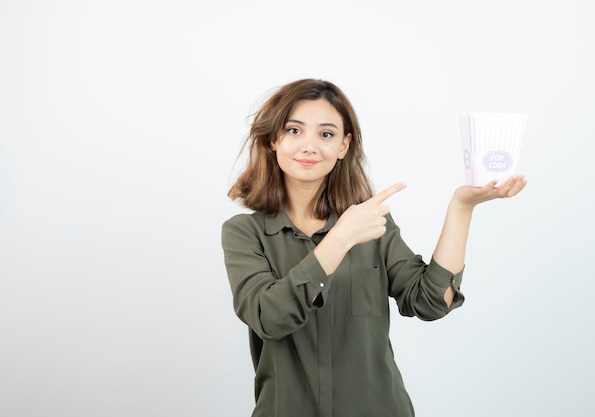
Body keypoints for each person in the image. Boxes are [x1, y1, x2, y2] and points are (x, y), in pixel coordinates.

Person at [221, 79, 527, 417]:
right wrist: (341, 238)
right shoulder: (244, 233)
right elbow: (269, 318)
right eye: (294, 131)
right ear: (273, 139)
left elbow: (430, 302)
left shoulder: (373, 224)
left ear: (343, 145)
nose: (309, 146)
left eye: (326, 134)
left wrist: (462, 207)